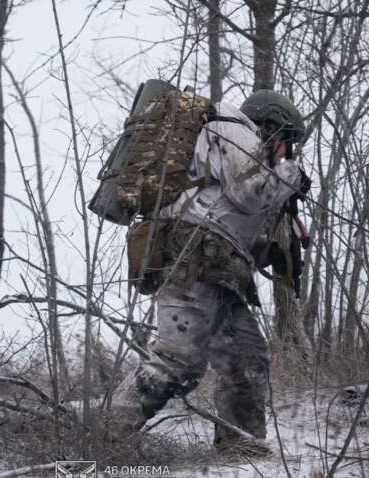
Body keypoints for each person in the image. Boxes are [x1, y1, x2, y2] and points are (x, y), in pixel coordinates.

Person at [116, 89, 310, 456]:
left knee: (246, 358)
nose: (286, 151)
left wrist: (273, 251)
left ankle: (243, 448)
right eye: (286, 142)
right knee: (179, 361)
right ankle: (101, 433)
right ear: (271, 128)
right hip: (194, 256)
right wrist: (291, 175)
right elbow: (250, 194)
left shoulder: (239, 144)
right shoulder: (234, 129)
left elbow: (231, 217)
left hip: (218, 265)